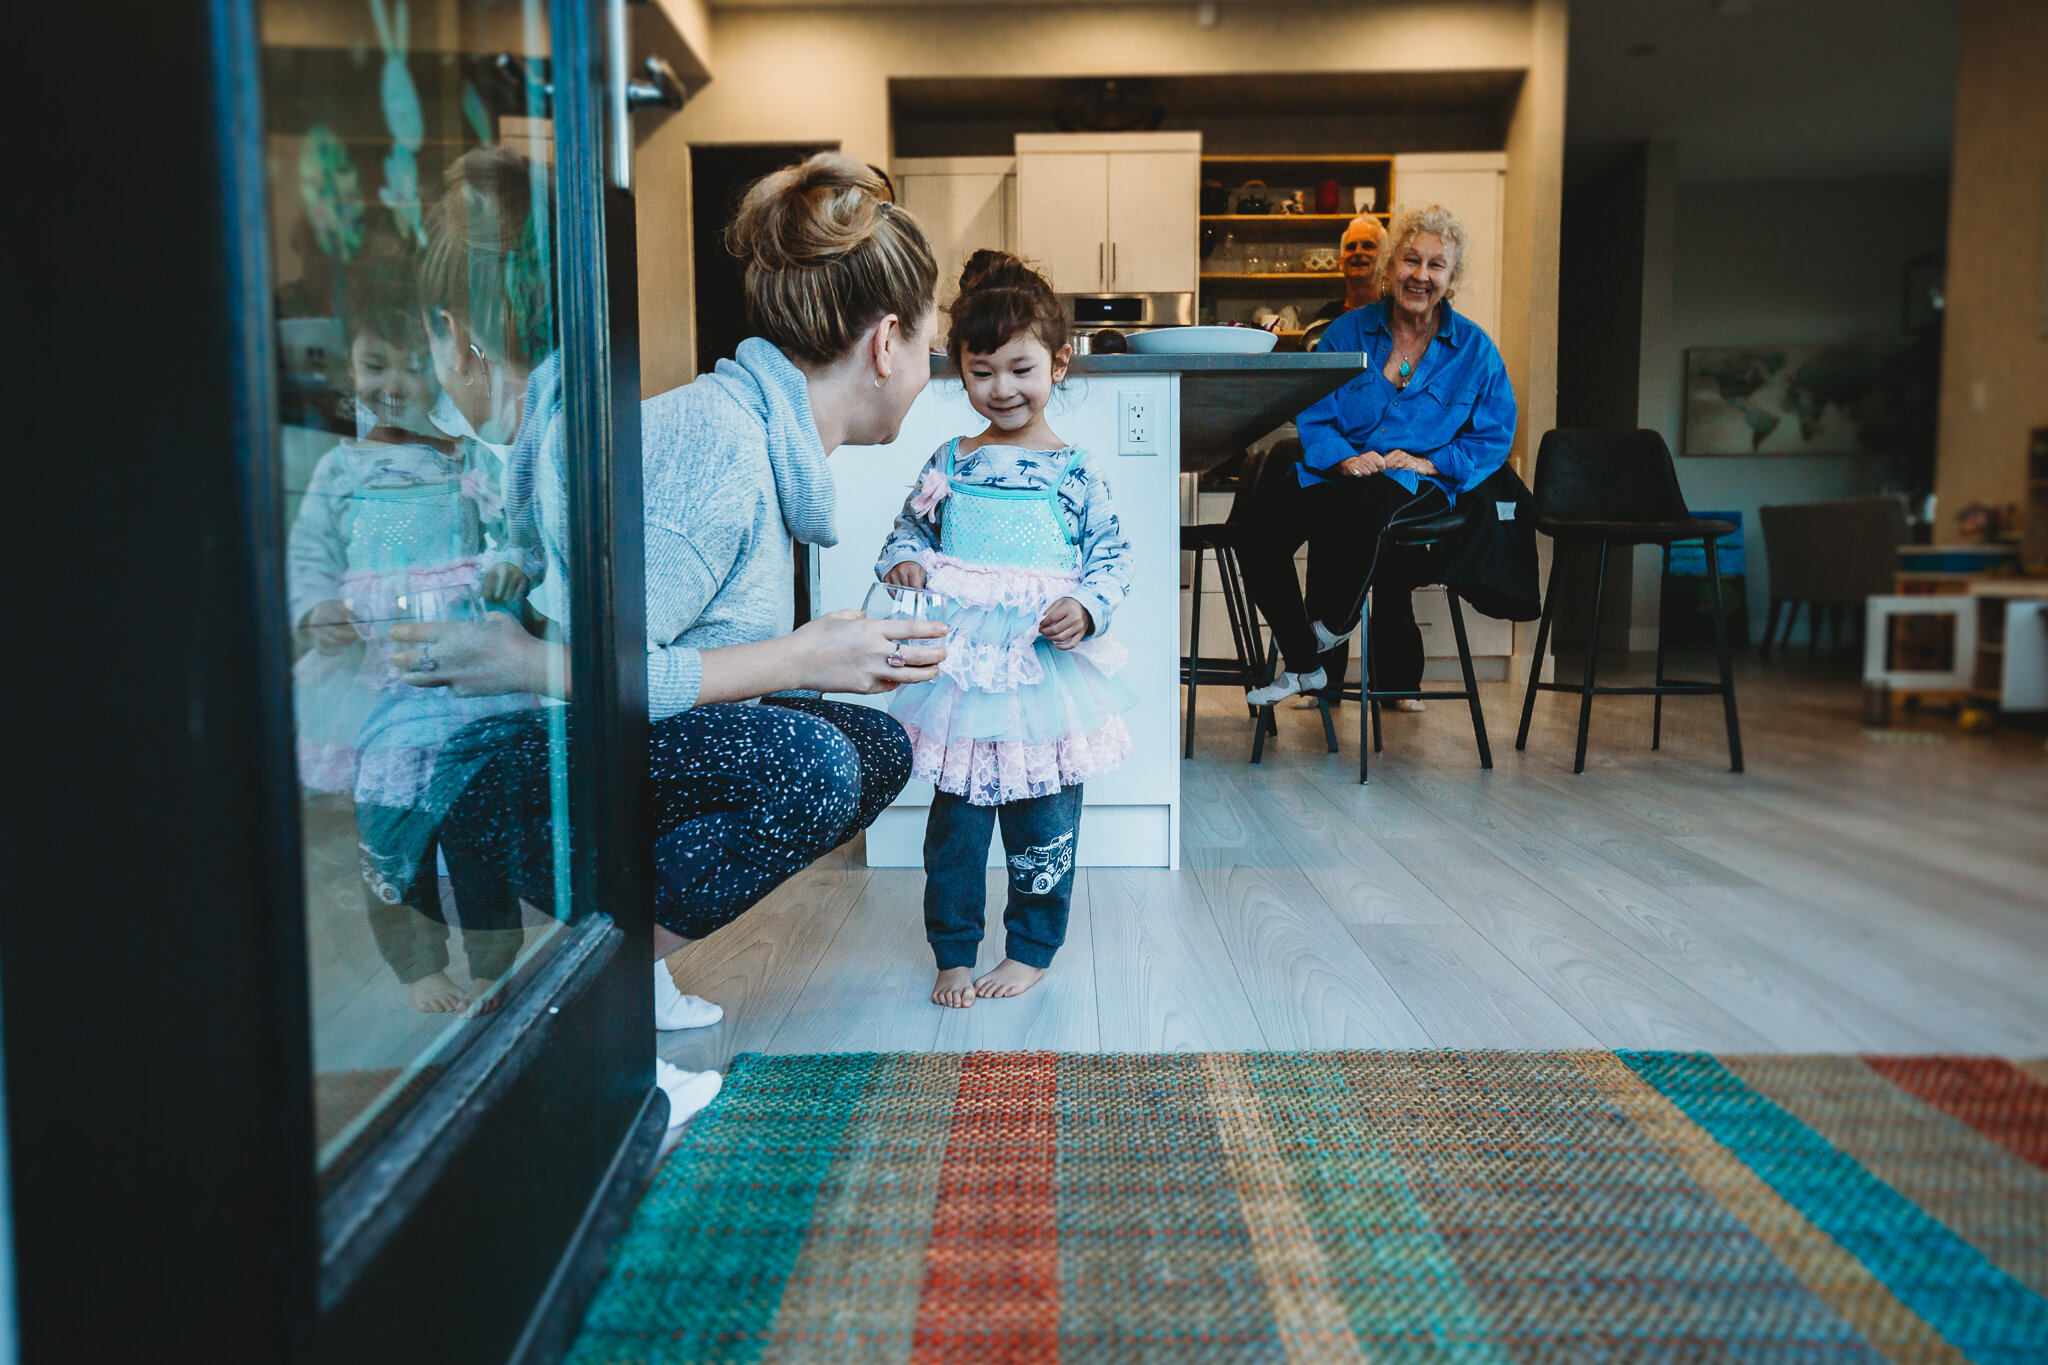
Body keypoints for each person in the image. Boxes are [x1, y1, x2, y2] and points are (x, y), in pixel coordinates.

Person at [391, 150, 947, 1127]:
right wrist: (805, 656)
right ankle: (575, 1006)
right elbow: (599, 673)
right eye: (933, 342)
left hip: (563, 754)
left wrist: (828, 659)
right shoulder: (716, 448)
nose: (931, 366)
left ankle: (619, 971)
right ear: (888, 342)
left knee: (869, 745)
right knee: (809, 762)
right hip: (495, 780)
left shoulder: (762, 445)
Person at [876, 251, 1135, 1010]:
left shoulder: (1075, 471)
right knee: (955, 824)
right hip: (962, 678)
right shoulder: (951, 461)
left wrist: (1087, 606)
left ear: (1060, 362)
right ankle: (952, 950)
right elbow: (906, 533)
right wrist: (905, 563)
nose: (1002, 388)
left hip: (1043, 674)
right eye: (981, 371)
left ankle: (1031, 948)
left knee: (1043, 817)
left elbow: (1113, 558)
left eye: (1021, 369)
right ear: (959, 368)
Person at [285, 254, 539, 1015]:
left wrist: (510, 568)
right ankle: (416, 963)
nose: (392, 382)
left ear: (440, 369)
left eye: (410, 364)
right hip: (380, 681)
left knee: (477, 823)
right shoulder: (340, 470)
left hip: (466, 682)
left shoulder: (470, 459)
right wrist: (317, 611)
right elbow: (309, 557)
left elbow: (517, 535)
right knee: (390, 825)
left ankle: (494, 960)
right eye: (374, 364)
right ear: (348, 371)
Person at [1239, 204, 1517, 708]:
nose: (1421, 275)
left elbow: (1494, 436)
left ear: (1451, 279)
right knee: (1256, 529)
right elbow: (1315, 412)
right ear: (1390, 267)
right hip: (1342, 475)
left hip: (1418, 485)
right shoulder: (1346, 333)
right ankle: (1306, 659)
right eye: (1411, 260)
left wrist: (1431, 462)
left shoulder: (1475, 351)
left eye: (1436, 265)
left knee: (1364, 505)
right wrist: (1343, 458)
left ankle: (1326, 638)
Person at [1309, 212, 1388, 323]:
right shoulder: (1326, 317)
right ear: (1341, 263)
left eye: (1368, 246)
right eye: (1351, 247)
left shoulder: (1395, 315)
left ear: (1386, 260)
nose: (1358, 252)